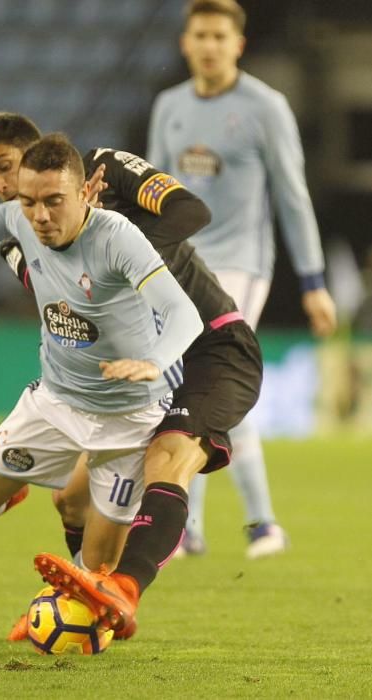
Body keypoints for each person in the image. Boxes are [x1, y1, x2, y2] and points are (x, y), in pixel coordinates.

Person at [0, 112, 263, 636]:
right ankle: (82, 598)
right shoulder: (25, 235)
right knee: (69, 498)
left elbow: (191, 210)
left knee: (171, 455)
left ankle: (123, 587)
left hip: (212, 345)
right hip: (138, 372)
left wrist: (118, 238)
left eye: (5, 166)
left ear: (42, 155)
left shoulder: (105, 167)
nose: (2, 186)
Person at [0, 133, 204, 633]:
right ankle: (14, 489)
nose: (40, 216)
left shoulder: (116, 237)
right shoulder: (21, 219)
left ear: (83, 195)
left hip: (128, 421)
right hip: (53, 405)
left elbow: (184, 314)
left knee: (95, 578)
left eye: (54, 202)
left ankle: (57, 625)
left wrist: (156, 361)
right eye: (30, 201)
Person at [147, 0, 337, 558]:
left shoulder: (266, 107)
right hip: (181, 263)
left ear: (238, 45)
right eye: (199, 34)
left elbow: (293, 196)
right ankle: (195, 527)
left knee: (213, 382)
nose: (208, 45)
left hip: (242, 265)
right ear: (186, 43)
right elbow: (151, 189)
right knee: (190, 389)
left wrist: (314, 282)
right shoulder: (169, 106)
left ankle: (260, 523)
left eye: (218, 36)